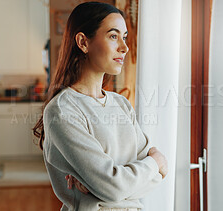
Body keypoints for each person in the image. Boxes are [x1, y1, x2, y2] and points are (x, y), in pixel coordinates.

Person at [33, 2, 168, 211]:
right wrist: (153, 163)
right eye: (113, 36)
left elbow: (160, 175)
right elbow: (115, 187)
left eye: (124, 37)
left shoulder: (121, 104)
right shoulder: (62, 111)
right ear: (83, 42)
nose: (124, 47)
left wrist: (103, 184)